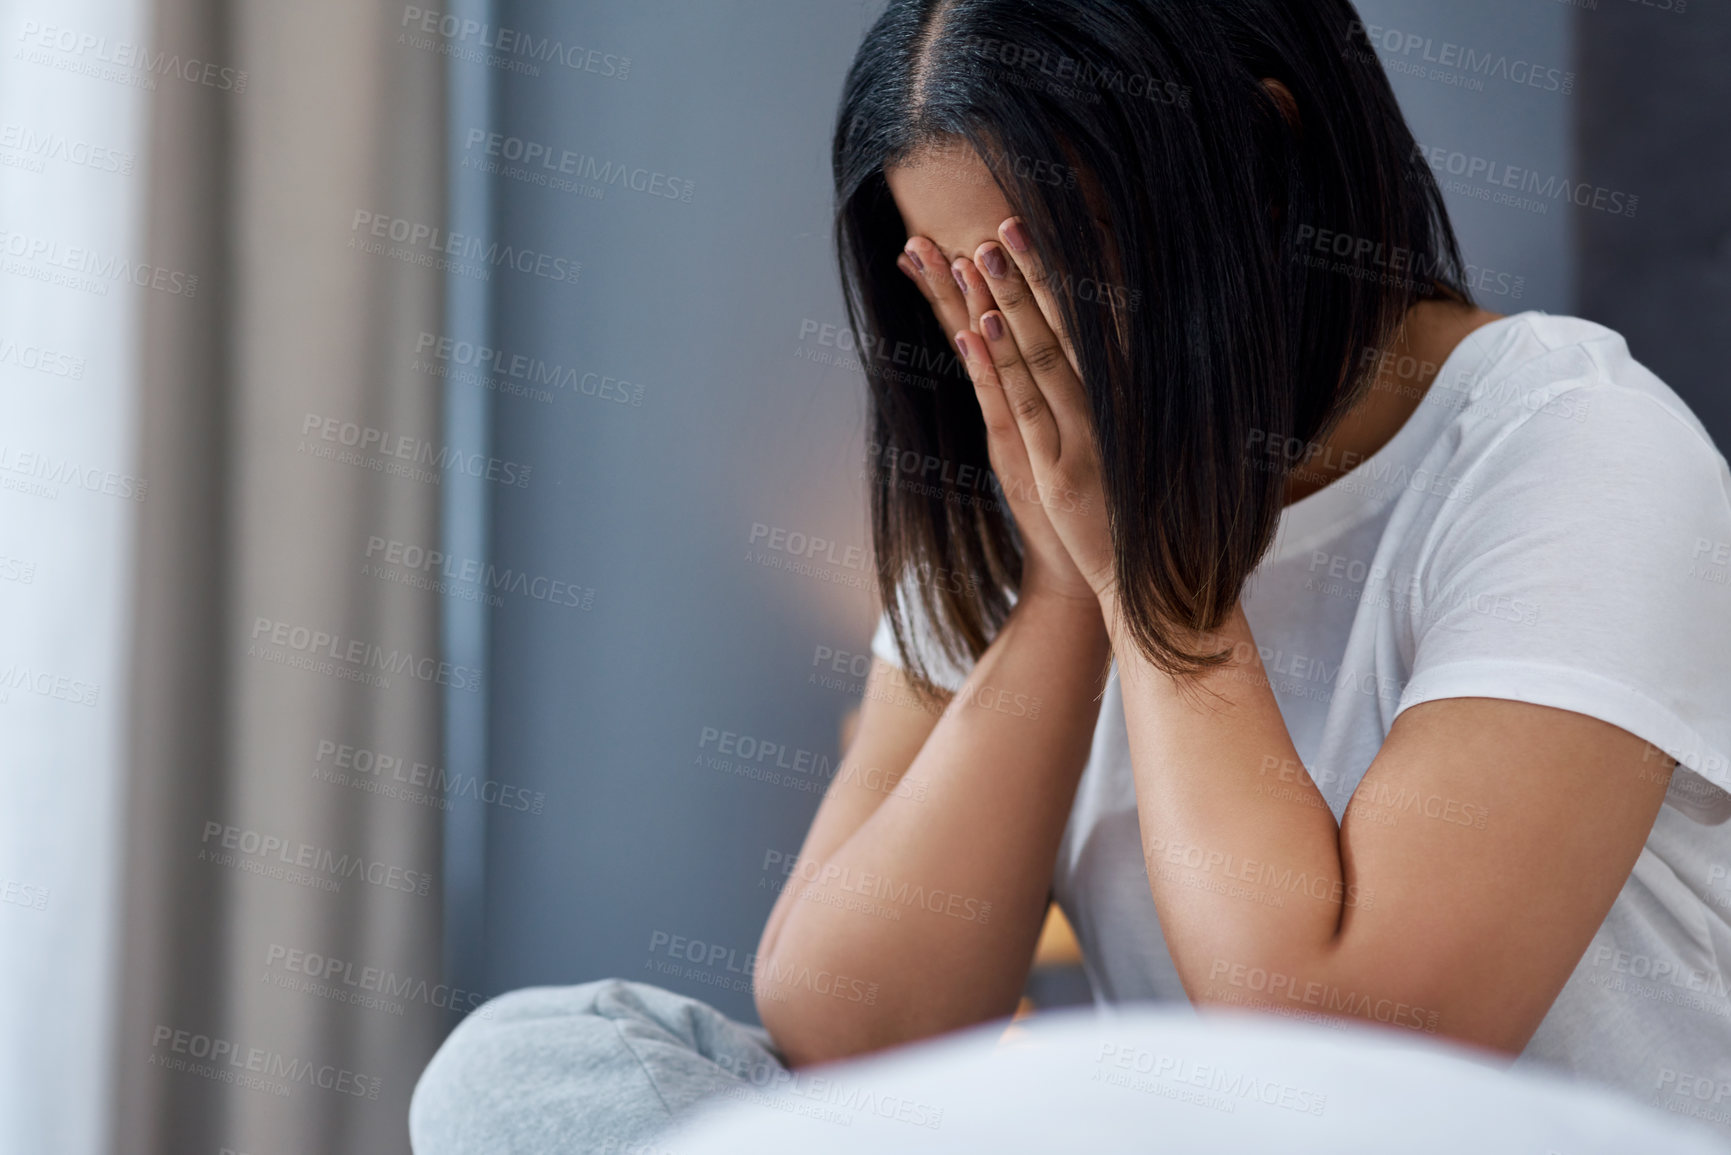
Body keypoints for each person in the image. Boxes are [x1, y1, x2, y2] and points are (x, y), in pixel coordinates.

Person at [410, 1, 1731, 1150]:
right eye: (969, 299)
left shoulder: (1571, 451)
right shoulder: (1035, 474)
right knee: (525, 1067)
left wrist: (1151, 584)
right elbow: (853, 1037)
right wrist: (1057, 593)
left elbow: (1355, 1057)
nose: (1021, 354)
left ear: (1266, 162)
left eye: (1049, 283)